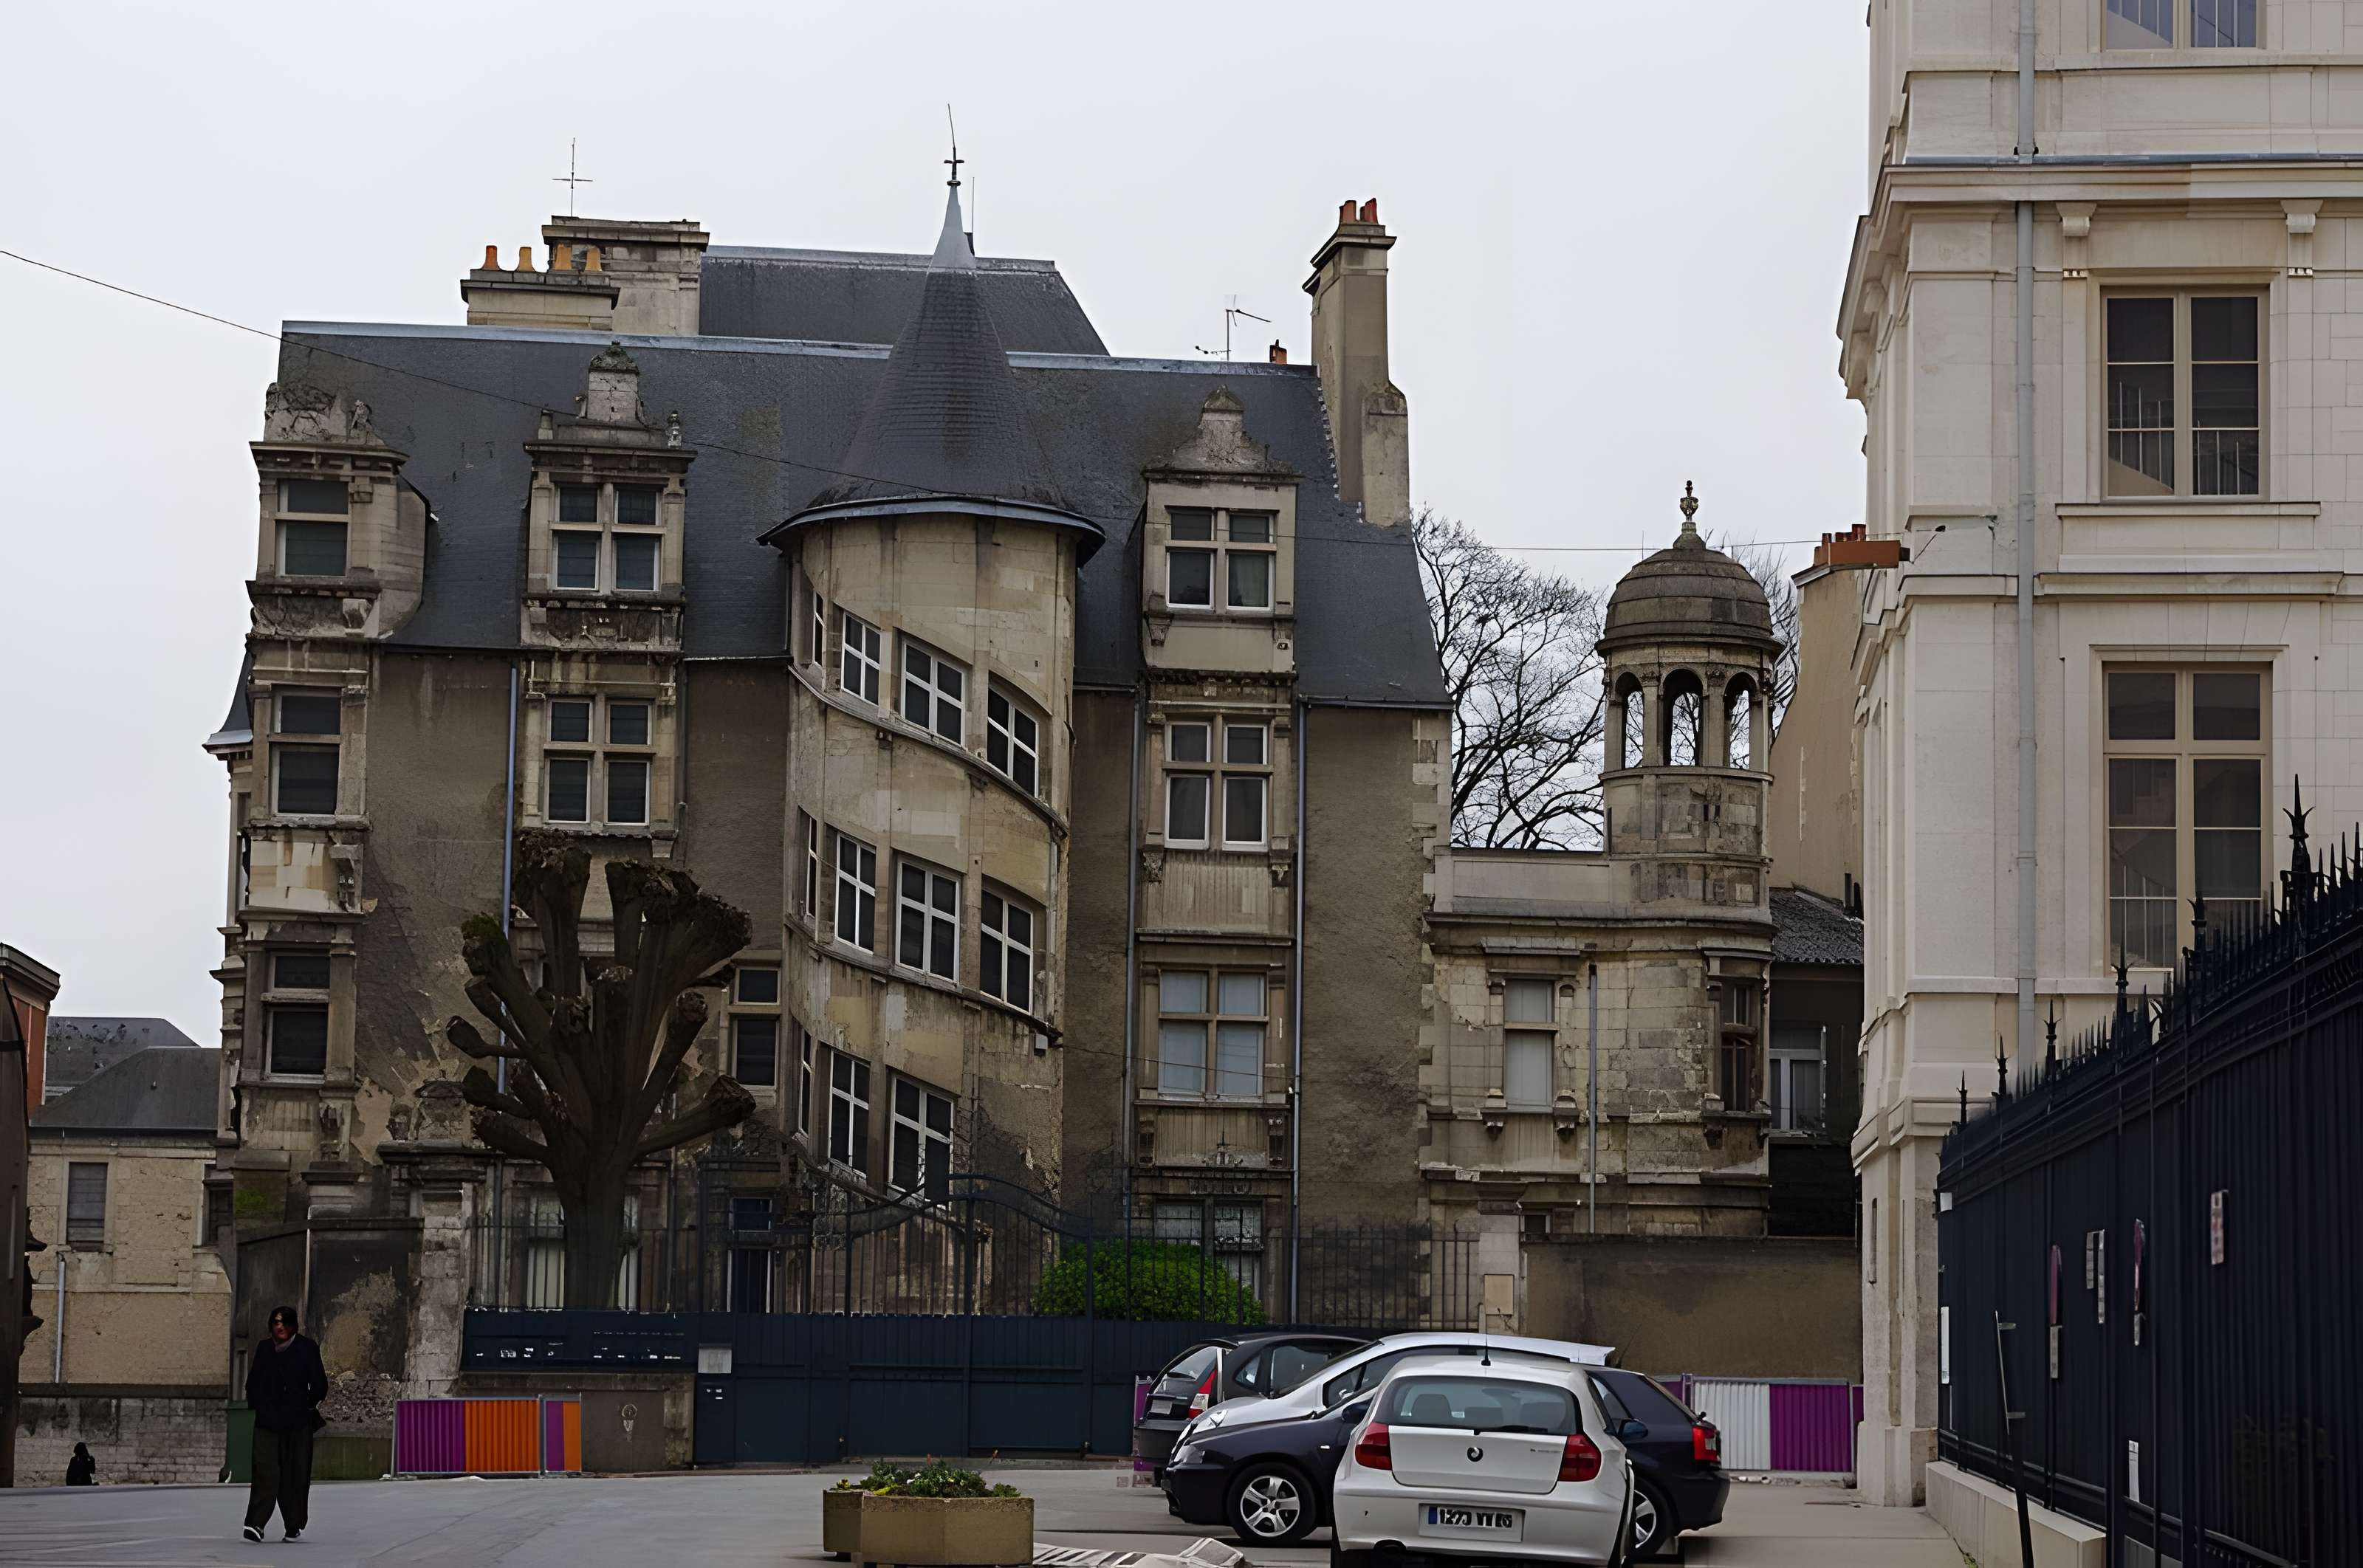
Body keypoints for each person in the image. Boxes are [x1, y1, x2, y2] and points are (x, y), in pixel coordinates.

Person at [241, 1305, 327, 1543]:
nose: (279, 1327)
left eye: (284, 1323)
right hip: (267, 1422)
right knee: (265, 1472)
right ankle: (256, 1524)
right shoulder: (264, 1349)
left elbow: (320, 1385)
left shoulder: (306, 1348)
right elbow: (254, 1382)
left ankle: (293, 1524)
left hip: (297, 1423)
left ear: (292, 1326)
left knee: (295, 1475)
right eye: (275, 1323)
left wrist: (304, 1403)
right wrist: (258, 1403)